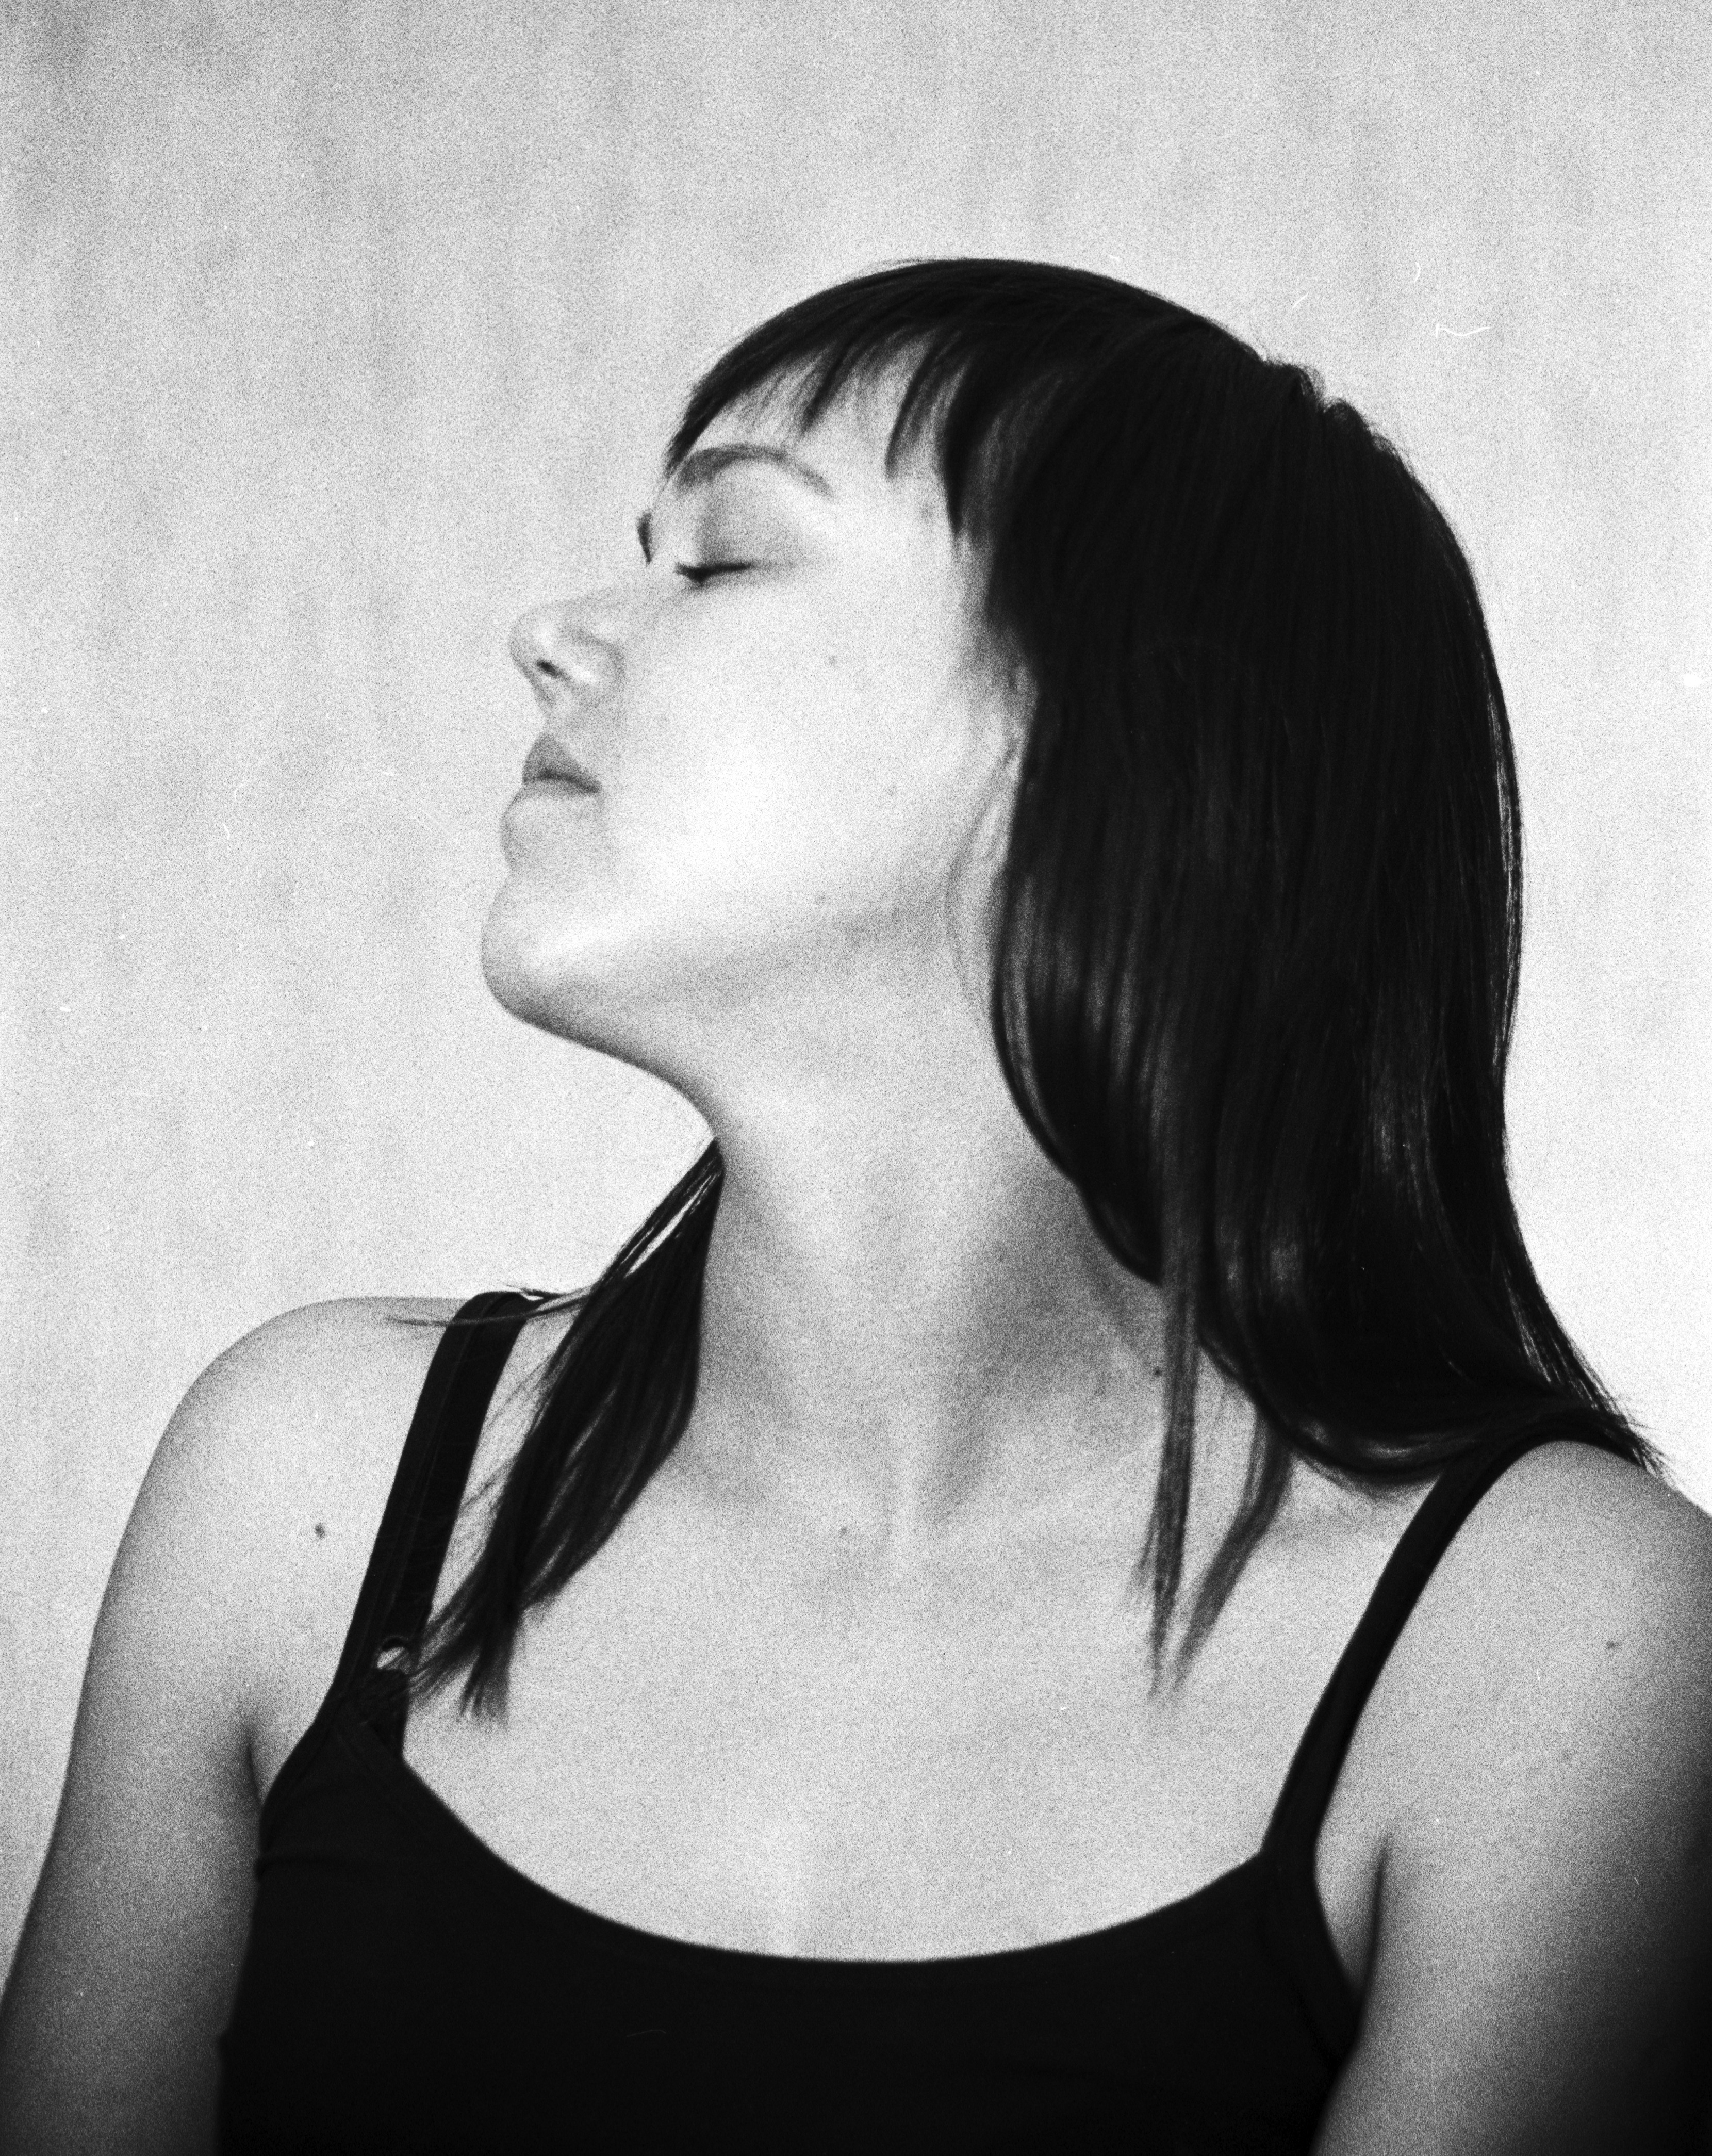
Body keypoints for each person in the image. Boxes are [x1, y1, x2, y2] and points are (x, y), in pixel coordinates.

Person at [2, 258, 1708, 2154]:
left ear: (1108, 739)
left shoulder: (1551, 1652)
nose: (552, 636)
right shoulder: (302, 1497)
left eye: (723, 558)